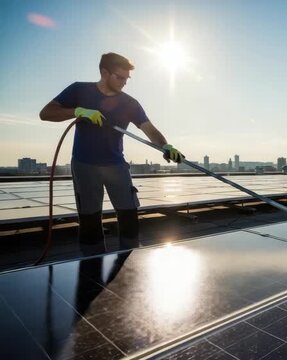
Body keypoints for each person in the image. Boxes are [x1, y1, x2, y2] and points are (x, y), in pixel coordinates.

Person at [39, 52, 184, 255]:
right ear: (104, 72)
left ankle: (129, 262)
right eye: (120, 77)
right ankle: (92, 269)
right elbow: (45, 113)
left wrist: (166, 146)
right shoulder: (79, 90)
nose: (124, 82)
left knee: (129, 216)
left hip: (116, 166)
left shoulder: (130, 103)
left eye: (127, 78)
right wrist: (79, 111)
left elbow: (148, 128)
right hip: (84, 166)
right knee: (89, 220)